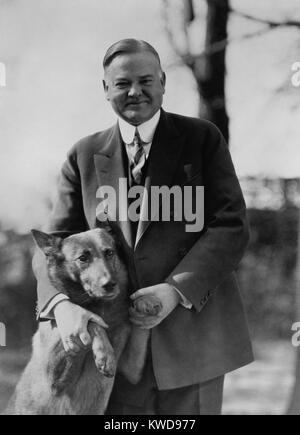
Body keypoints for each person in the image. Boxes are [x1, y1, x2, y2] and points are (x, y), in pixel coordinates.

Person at [33, 39, 253, 415]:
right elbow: (53, 248)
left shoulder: (203, 139)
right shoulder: (83, 155)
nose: (135, 91)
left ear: (163, 82)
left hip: (193, 341)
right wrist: (59, 305)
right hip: (112, 350)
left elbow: (230, 227)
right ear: (106, 89)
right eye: (121, 84)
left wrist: (174, 291)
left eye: (145, 80)